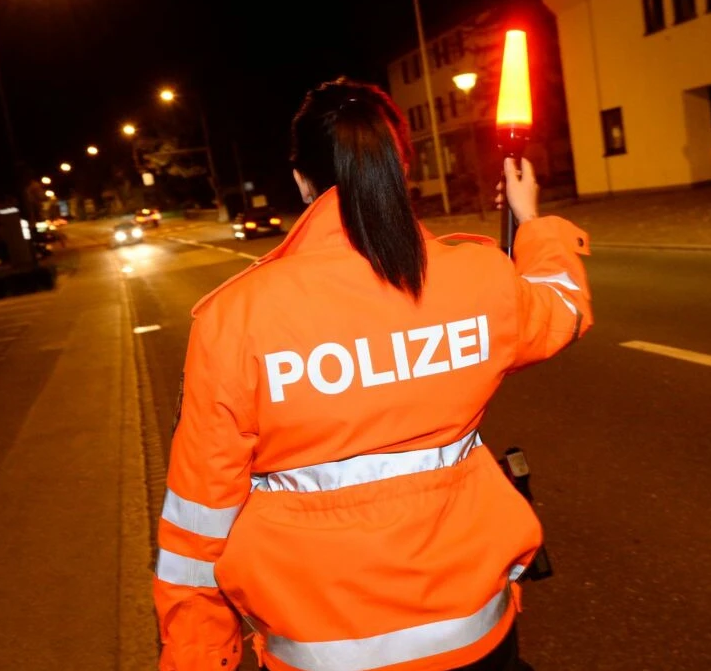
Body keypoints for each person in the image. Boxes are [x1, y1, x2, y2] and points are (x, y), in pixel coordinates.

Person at [153, 77, 593, 671]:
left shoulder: (236, 320)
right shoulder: (477, 279)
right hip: (477, 639)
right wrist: (531, 222)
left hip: (321, 652)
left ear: (301, 180)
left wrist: (200, 660)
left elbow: (197, 527)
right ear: (399, 169)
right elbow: (562, 307)